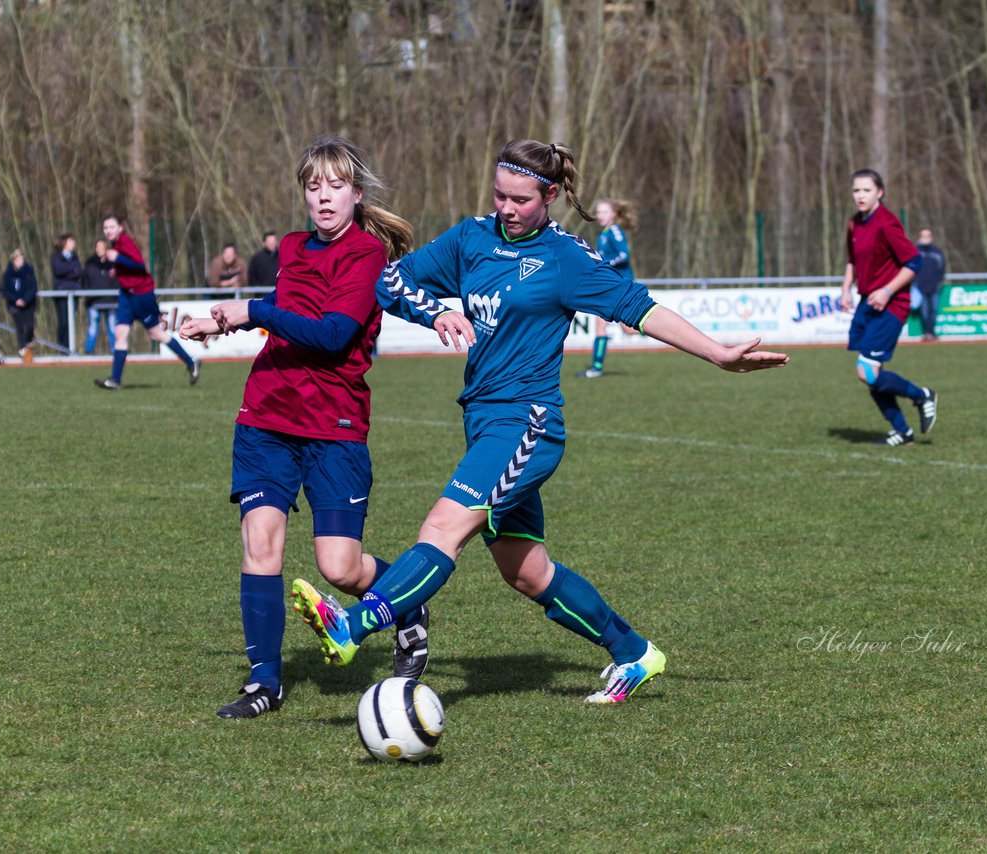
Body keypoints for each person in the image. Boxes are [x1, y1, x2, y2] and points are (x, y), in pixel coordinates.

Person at [281, 139, 789, 705]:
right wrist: (439, 311)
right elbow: (392, 282)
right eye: (499, 194)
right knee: (527, 572)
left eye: (520, 199)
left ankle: (353, 626)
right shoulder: (472, 236)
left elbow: (641, 308)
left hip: (527, 426)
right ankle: (635, 653)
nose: (506, 207)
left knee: (444, 526)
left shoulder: (565, 258)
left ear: (550, 196)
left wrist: (717, 353)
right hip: (482, 420)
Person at [180, 137, 431, 719]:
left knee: (339, 566)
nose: (323, 197)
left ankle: (406, 606)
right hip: (266, 416)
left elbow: (332, 333)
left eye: (335, 186)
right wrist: (221, 321)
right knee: (259, 542)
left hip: (334, 426)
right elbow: (286, 304)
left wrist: (253, 312)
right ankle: (264, 683)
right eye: (313, 186)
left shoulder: (367, 255)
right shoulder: (293, 247)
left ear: (356, 194)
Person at [840, 169, 938, 447]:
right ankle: (902, 432)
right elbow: (852, 261)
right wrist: (846, 288)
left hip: (891, 304)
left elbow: (914, 262)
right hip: (867, 303)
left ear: (879, 192)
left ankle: (921, 395)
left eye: (866, 190)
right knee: (871, 376)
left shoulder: (887, 223)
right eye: (856, 190)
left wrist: (887, 290)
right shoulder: (854, 224)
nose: (860, 195)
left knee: (867, 371)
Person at [93, 214, 201, 389]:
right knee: (120, 335)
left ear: (120, 227)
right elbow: (129, 267)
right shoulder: (116, 244)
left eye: (111, 227)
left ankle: (191, 362)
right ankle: (115, 380)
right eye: (105, 228)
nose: (108, 231)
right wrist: (118, 270)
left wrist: (117, 259)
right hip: (126, 296)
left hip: (141, 296)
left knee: (156, 334)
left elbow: (140, 266)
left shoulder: (125, 242)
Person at [578, 198, 638, 378]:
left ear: (613, 214)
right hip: (609, 286)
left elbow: (623, 255)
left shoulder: (614, 231)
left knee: (627, 329)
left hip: (621, 285)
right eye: (598, 212)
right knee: (601, 325)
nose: (600, 215)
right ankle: (596, 368)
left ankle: (669, 333)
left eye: (604, 212)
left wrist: (605, 264)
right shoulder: (603, 234)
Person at [83, 239, 119, 354]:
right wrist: (88, 296)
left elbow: (119, 281)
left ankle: (116, 351)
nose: (99, 249)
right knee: (93, 328)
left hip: (112, 301)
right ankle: (89, 352)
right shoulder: (89, 264)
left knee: (113, 327)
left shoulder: (114, 264)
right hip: (94, 301)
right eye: (97, 247)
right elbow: (84, 282)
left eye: (102, 247)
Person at [50, 234, 84, 354]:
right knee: (63, 322)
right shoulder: (56, 256)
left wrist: (70, 270)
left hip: (74, 292)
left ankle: (70, 348)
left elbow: (79, 271)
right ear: (64, 243)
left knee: (70, 322)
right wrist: (71, 269)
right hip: (61, 293)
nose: (73, 244)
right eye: (70, 241)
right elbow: (58, 270)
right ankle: (63, 348)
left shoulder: (75, 257)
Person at [2, 249, 38, 361]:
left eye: (22, 259)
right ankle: (23, 349)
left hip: (28, 304)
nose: (21, 261)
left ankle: (28, 343)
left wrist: (25, 300)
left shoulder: (29, 271)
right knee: (20, 327)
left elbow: (33, 287)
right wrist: (15, 300)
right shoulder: (8, 274)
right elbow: (5, 290)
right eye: (18, 260)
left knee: (30, 326)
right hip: (14, 305)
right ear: (13, 261)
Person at [913, 227, 946, 341]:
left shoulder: (937, 252)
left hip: (934, 287)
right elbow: (910, 269)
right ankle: (926, 333)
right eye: (923, 236)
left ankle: (932, 333)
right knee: (924, 311)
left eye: (928, 236)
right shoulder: (915, 251)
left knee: (934, 310)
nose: (925, 238)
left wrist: (938, 282)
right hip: (920, 287)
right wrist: (915, 283)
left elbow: (941, 269)